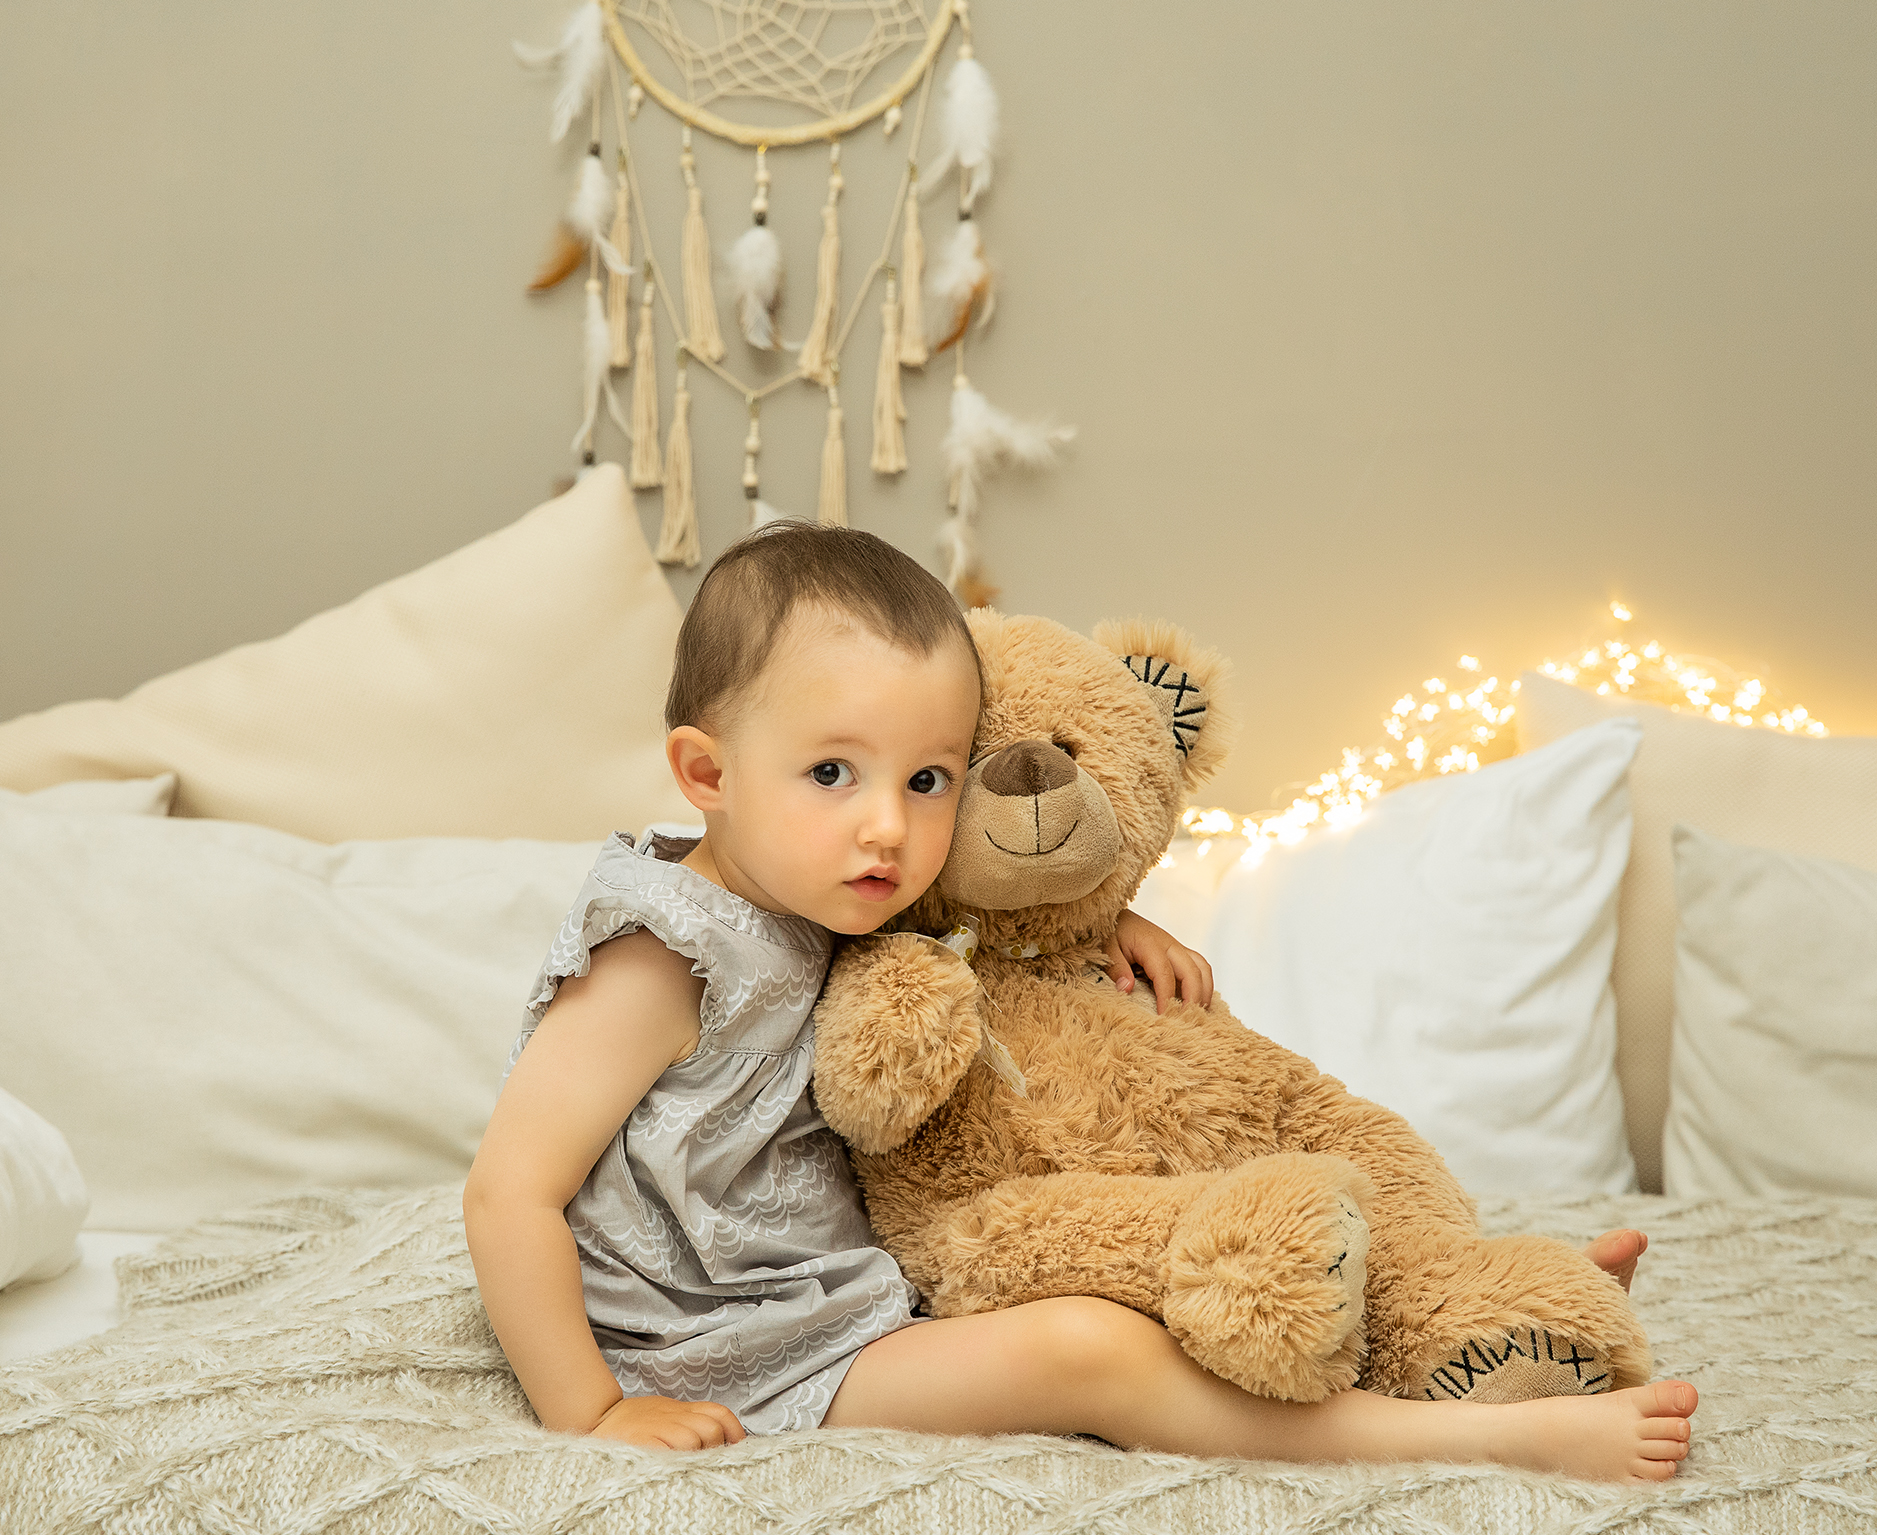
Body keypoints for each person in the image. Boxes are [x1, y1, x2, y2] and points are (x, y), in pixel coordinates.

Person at [463, 524, 1697, 1484]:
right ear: (705, 774)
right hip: (730, 1348)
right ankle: (1475, 1441)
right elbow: (506, 1188)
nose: (890, 823)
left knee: (1193, 1246)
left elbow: (997, 911)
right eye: (832, 770)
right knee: (1095, 1347)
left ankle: (1482, 1316)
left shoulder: (821, 876)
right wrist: (598, 1407)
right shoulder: (658, 957)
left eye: (929, 776)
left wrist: (1107, 920)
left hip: (848, 1285)